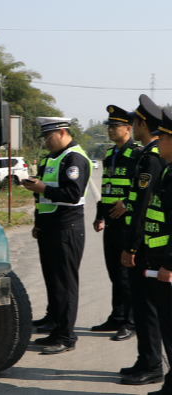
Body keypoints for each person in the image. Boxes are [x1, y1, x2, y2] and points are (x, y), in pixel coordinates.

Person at [22, 116, 92, 354]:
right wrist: (38, 221)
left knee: (65, 284)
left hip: (66, 229)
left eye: (49, 137)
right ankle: (55, 325)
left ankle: (66, 337)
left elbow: (72, 193)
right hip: (49, 227)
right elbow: (44, 193)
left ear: (62, 132)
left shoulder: (74, 158)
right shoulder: (53, 157)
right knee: (53, 281)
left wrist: (43, 188)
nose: (46, 142)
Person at [120, 94, 167, 386]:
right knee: (141, 304)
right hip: (144, 245)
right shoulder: (149, 154)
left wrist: (133, 245)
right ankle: (144, 358)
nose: (132, 126)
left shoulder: (152, 159)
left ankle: (152, 364)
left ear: (142, 124)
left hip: (147, 247)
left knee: (147, 307)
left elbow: (143, 207)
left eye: (135, 122)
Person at [91, 105, 141, 341]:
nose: (111, 130)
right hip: (110, 223)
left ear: (128, 129)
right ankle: (117, 316)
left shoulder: (138, 154)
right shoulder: (110, 155)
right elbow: (106, 190)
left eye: (115, 126)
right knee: (113, 272)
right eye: (109, 126)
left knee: (125, 274)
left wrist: (127, 204)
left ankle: (130, 322)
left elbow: (141, 191)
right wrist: (99, 215)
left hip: (127, 223)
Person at [139, 108, 172, 395]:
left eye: (162, 136)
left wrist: (169, 264)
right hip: (158, 259)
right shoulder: (169, 169)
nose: (157, 140)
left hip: (167, 265)